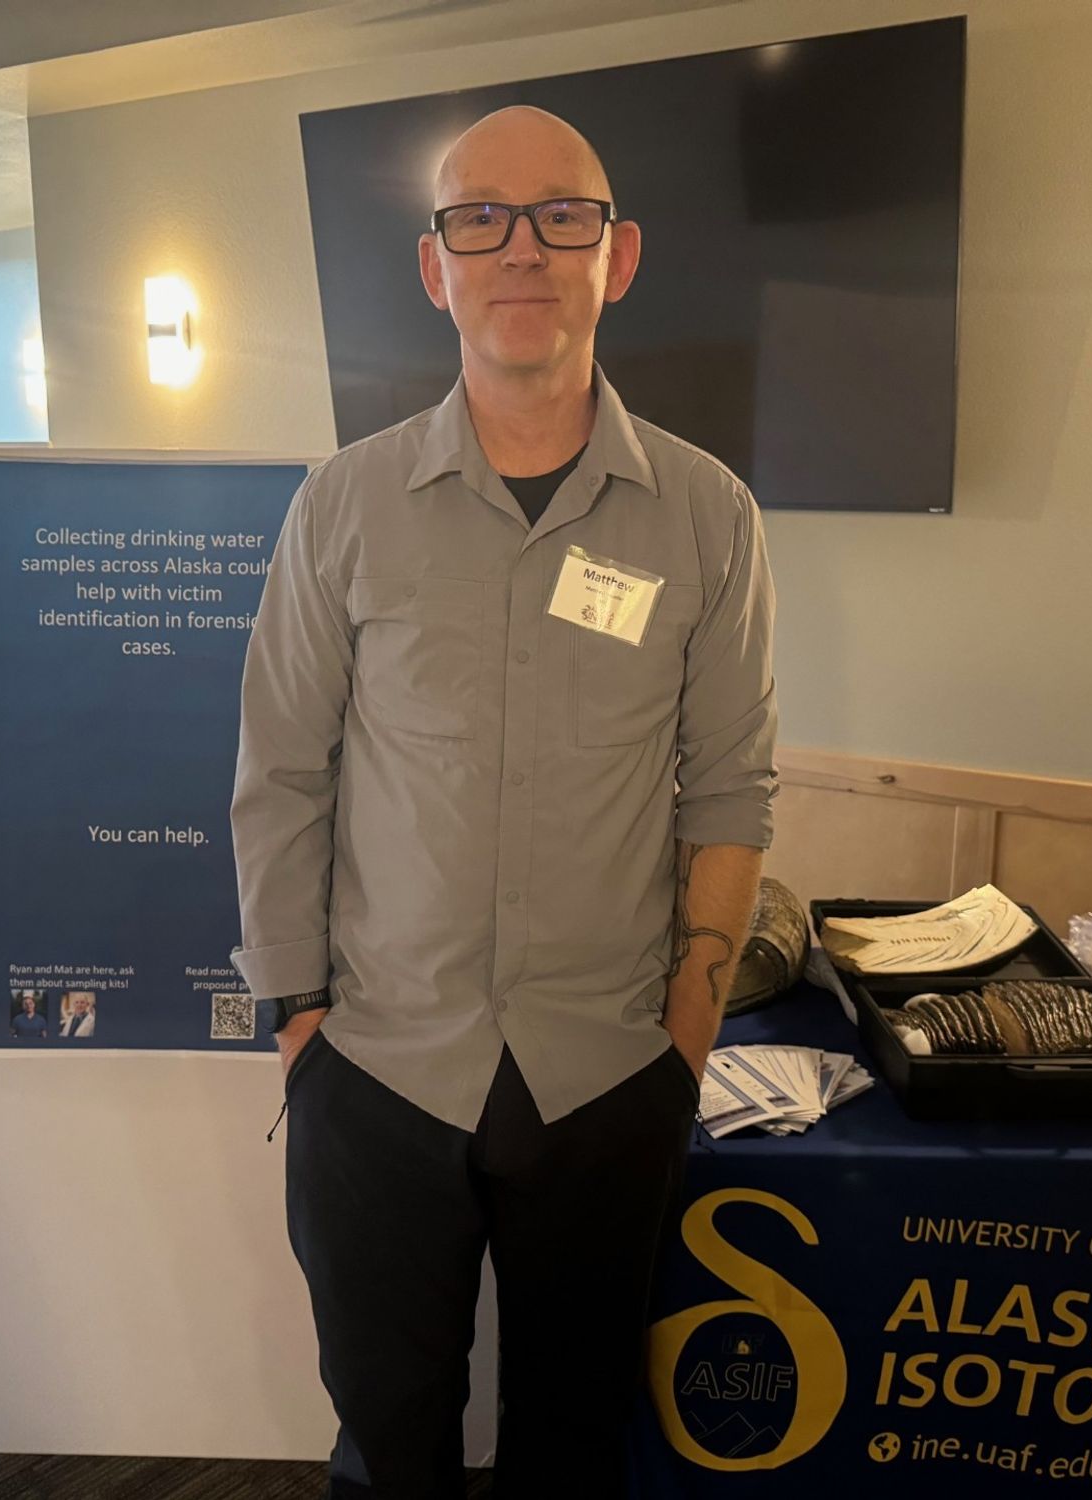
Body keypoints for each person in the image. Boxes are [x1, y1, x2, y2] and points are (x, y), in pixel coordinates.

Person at [230, 106, 777, 1496]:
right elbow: (282, 771)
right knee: (389, 1446)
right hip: (377, 1071)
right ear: (436, 266)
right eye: (481, 216)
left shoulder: (709, 518)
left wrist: (686, 1038)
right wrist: (299, 1023)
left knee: (575, 1447)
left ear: (620, 254)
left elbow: (727, 789)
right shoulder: (343, 506)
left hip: (608, 1077)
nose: (520, 248)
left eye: (561, 216)